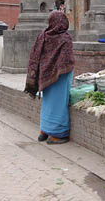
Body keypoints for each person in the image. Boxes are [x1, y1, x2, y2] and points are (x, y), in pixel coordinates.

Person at [24, 11, 75, 145]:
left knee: (47, 103)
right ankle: (58, 134)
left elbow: (35, 56)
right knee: (58, 103)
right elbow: (67, 60)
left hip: (45, 76)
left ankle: (44, 131)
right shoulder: (65, 37)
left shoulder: (43, 35)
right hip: (60, 76)